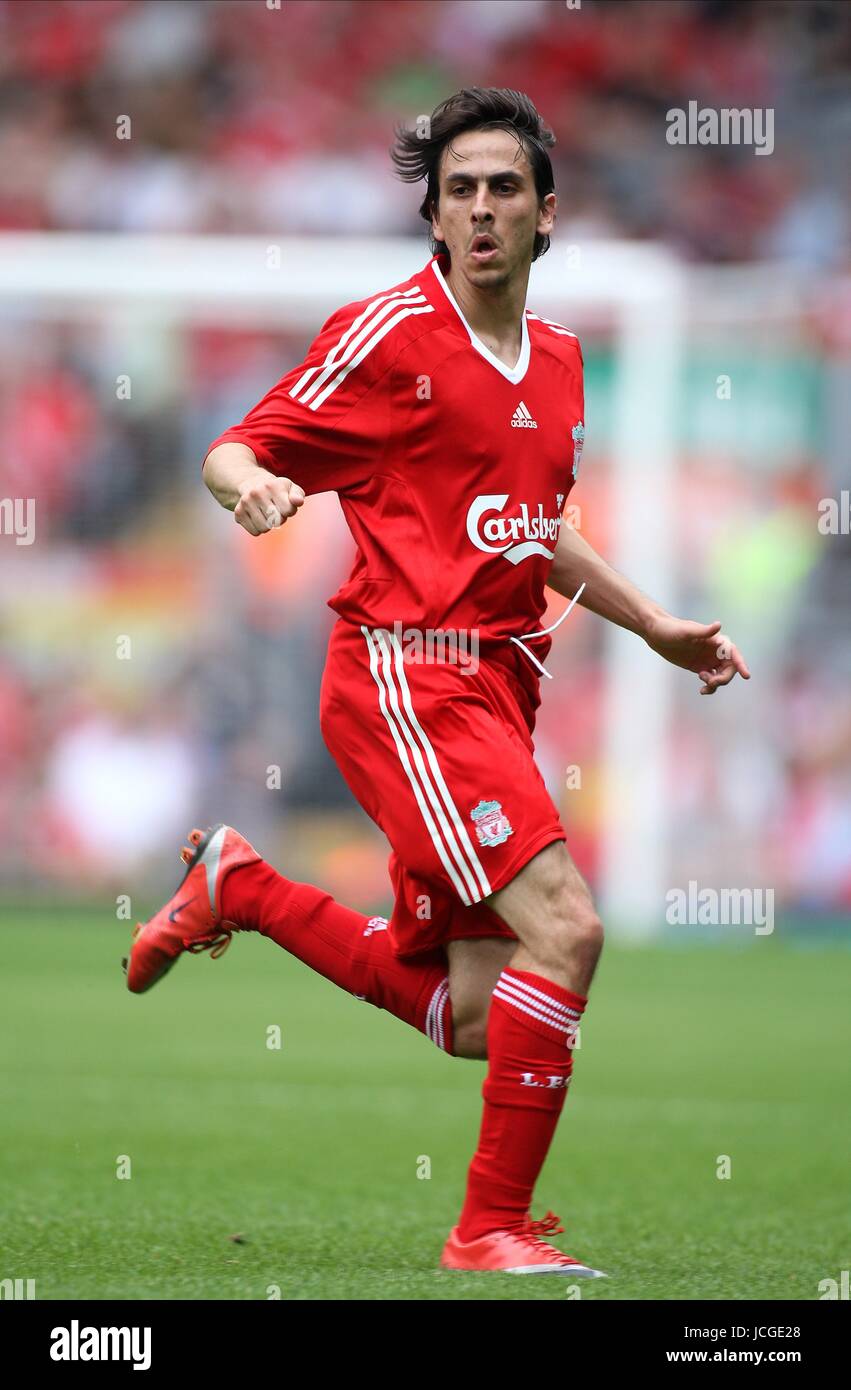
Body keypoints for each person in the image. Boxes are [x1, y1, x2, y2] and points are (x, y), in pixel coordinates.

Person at [124, 88, 749, 1277]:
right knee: (565, 928)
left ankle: (241, 887)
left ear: (544, 214)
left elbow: (531, 529)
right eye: (456, 189)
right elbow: (238, 446)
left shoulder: (558, 364)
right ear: (432, 215)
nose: (478, 208)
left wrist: (654, 622)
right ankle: (486, 1229)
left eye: (501, 187)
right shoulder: (389, 338)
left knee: (473, 1012)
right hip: (404, 680)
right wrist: (246, 488)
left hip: (495, 689)